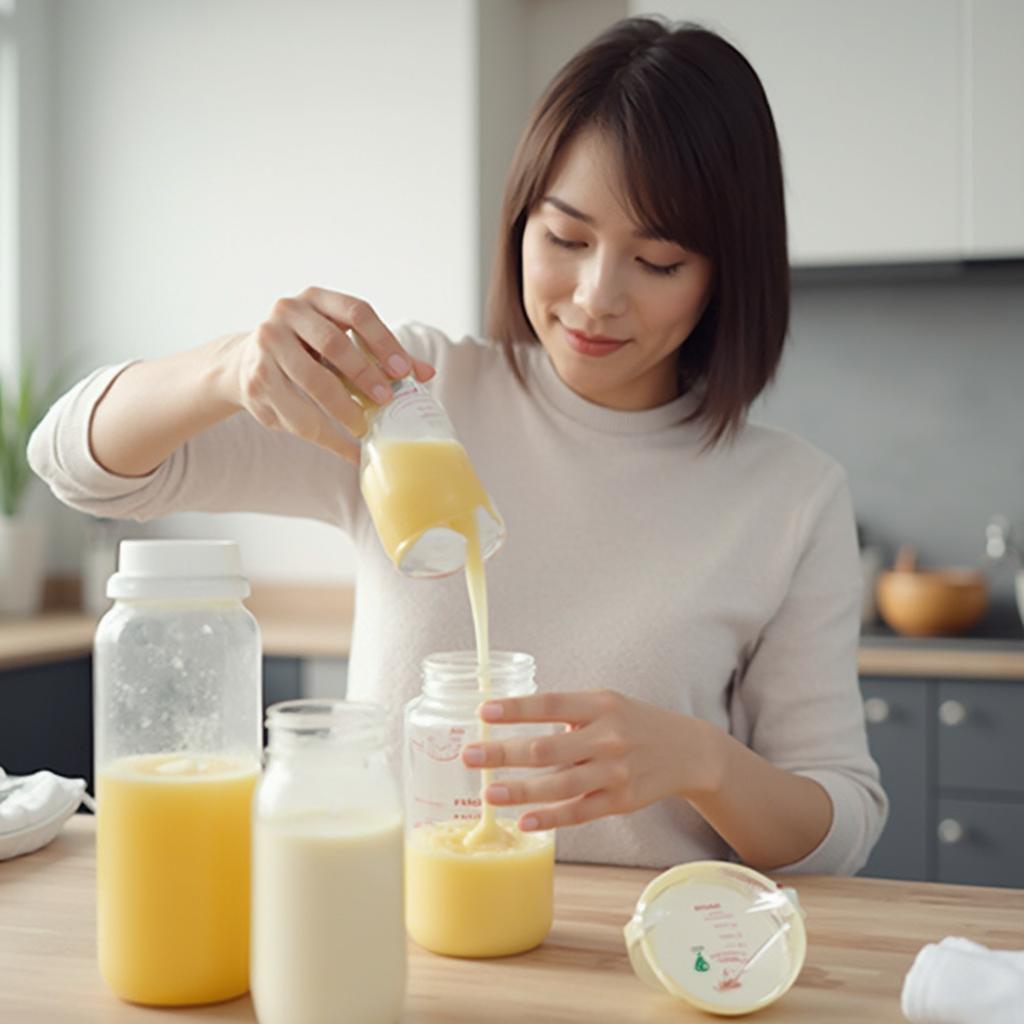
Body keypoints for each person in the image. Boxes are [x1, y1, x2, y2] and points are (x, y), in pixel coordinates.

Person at [29, 16, 886, 873]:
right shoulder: (410, 400)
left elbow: (839, 829)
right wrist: (228, 367)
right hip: (401, 950)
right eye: (565, 239)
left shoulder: (789, 496)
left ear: (726, 273)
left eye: (657, 262)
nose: (595, 298)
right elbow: (75, 466)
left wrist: (704, 760)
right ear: (519, 222)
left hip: (642, 965)